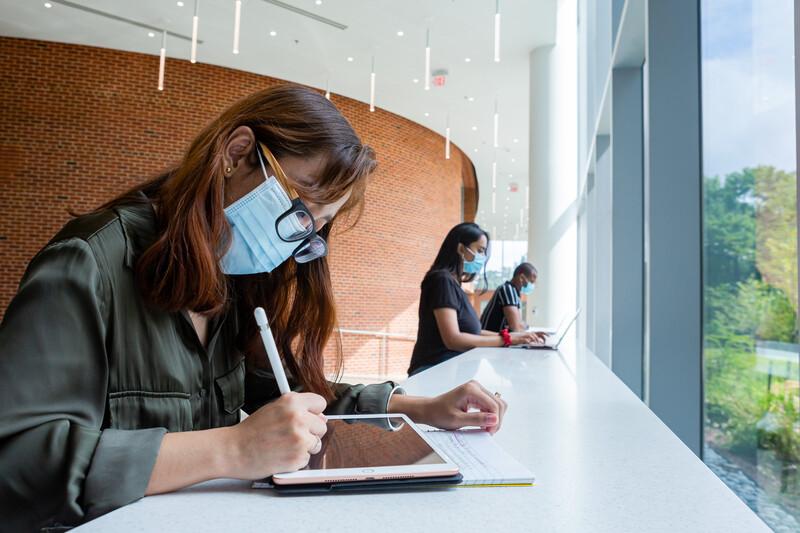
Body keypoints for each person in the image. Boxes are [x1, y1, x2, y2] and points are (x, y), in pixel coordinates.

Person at [0, 86, 508, 532]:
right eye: (299, 208)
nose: (294, 241)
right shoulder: (89, 263)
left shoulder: (231, 279)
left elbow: (275, 388)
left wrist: (418, 408)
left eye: (315, 227)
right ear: (238, 153)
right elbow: (19, 464)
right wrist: (233, 449)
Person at [407, 223, 540, 376]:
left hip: (447, 370)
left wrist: (517, 337)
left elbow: (473, 331)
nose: (482, 258)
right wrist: (507, 340)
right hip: (433, 371)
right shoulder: (441, 280)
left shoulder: (453, 283)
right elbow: (453, 339)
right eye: (480, 250)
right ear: (461, 249)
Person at [480, 262, 538, 332]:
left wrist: (520, 325)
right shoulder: (508, 289)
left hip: (496, 338)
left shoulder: (514, 292)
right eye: (531, 282)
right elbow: (516, 327)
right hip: (488, 339)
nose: (532, 286)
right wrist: (520, 325)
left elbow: (518, 324)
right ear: (522, 278)